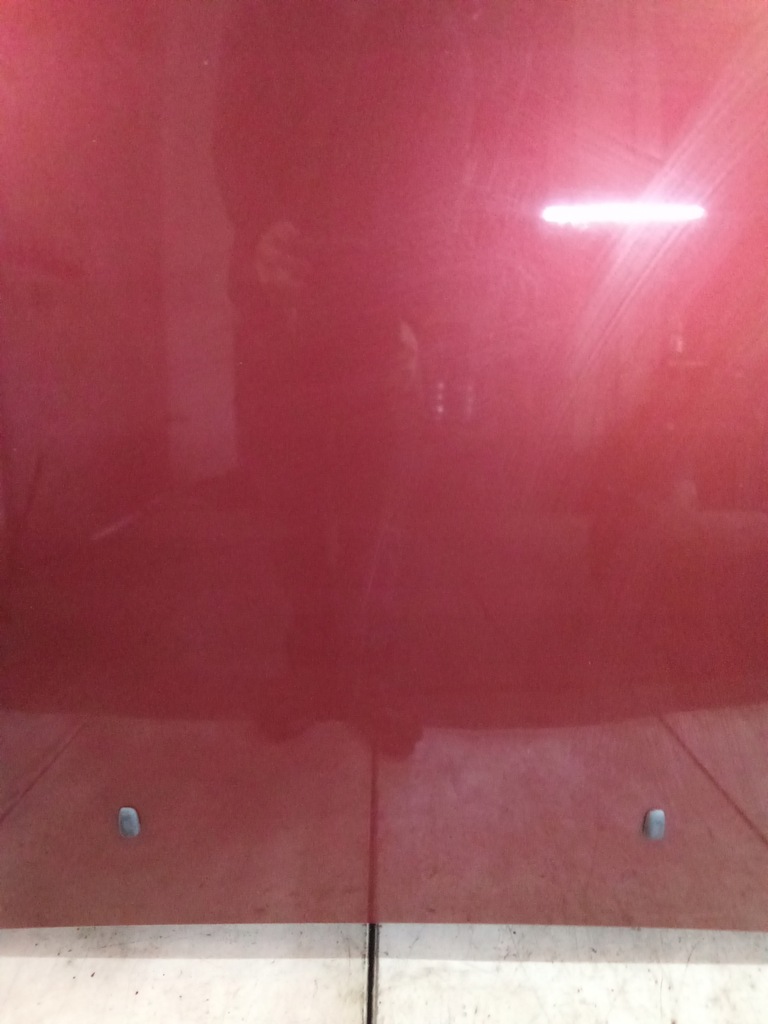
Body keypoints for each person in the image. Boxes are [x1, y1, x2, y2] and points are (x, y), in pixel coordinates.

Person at [213, 0, 474, 734]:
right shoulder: (264, 18)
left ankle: (362, 668)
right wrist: (258, 228)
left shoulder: (431, 32)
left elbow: (442, 175)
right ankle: (316, 662)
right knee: (287, 499)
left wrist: (417, 311)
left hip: (377, 294)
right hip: (283, 289)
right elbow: (233, 135)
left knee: (374, 505)